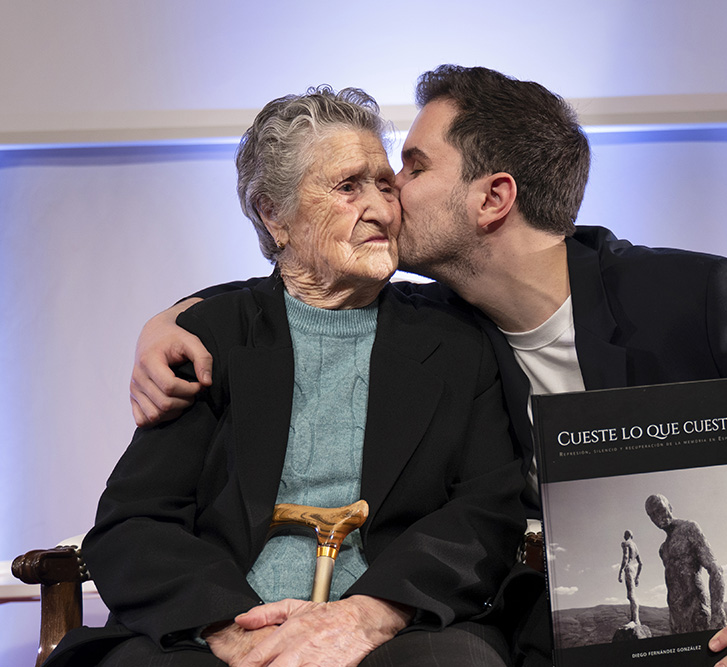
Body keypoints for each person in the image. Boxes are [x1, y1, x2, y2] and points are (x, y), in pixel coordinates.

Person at [129, 65, 727, 667]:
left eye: (411, 167)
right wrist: (171, 320)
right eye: (366, 179)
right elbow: (298, 292)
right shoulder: (450, 329)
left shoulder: (698, 300)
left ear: (493, 199)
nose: (387, 194)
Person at [45, 86, 525, 667]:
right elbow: (136, 522)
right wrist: (232, 629)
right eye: (348, 187)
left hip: (394, 626)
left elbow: (486, 510)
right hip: (223, 626)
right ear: (274, 215)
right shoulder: (211, 336)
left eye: (385, 184)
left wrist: (368, 615)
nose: (381, 208)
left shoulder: (455, 339)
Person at [644, 494, 726, 634]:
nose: (658, 516)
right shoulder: (663, 549)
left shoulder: (689, 528)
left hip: (697, 611)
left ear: (670, 507)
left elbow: (715, 569)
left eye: (661, 509)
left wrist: (717, 612)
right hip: (676, 619)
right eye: (652, 515)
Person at [617, 530, 643, 626]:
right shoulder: (635, 546)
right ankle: (634, 618)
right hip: (633, 569)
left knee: (631, 595)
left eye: (624, 535)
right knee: (631, 594)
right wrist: (637, 577)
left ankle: (635, 620)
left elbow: (625, 557)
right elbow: (641, 563)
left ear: (627, 535)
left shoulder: (626, 543)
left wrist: (620, 572)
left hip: (628, 568)